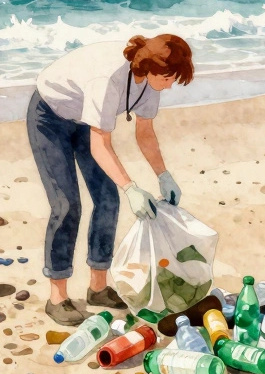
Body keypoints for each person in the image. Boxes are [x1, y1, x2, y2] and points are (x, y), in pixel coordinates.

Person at [30, 34, 194, 326]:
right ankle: (57, 296)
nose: (170, 85)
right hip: (49, 115)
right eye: (168, 78)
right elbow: (99, 144)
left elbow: (144, 133)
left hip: (84, 120)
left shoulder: (150, 83)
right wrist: (131, 187)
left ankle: (98, 288)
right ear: (152, 68)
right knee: (66, 205)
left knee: (107, 199)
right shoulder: (109, 78)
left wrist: (163, 175)